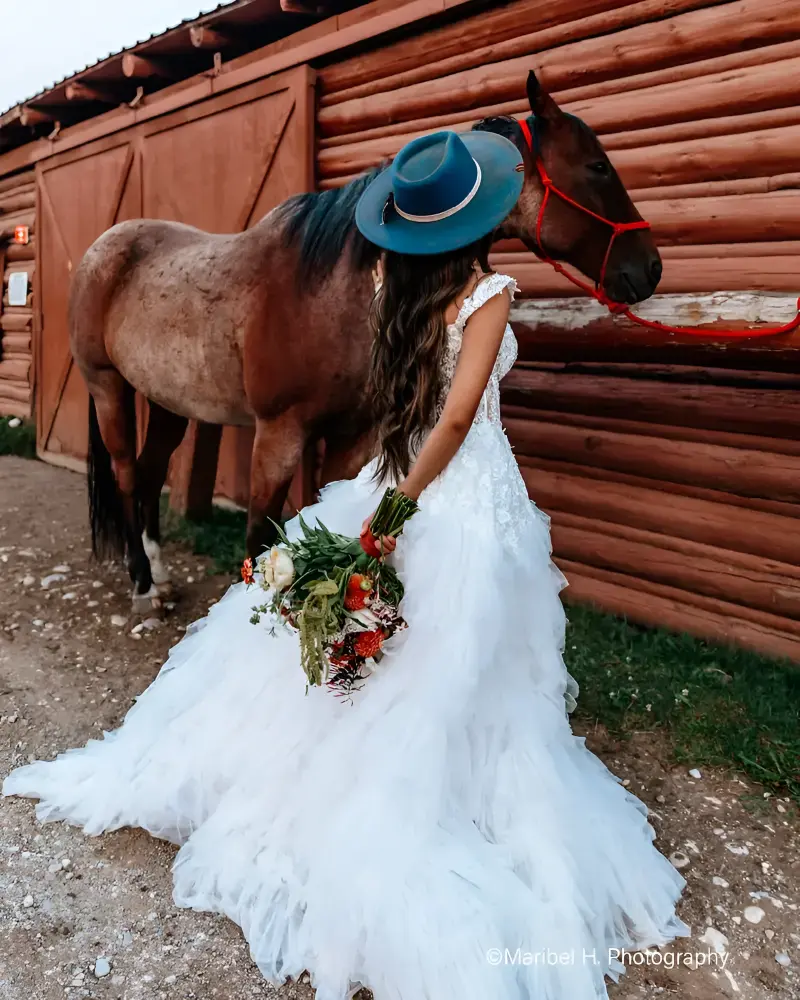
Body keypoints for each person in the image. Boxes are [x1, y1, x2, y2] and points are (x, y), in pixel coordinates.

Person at [3, 130, 688, 1000]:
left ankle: (344, 753)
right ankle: (449, 788)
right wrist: (399, 505)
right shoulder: (488, 297)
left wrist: (393, 493)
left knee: (408, 631)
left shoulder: (396, 287)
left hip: (417, 480)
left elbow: (403, 404)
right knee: (465, 642)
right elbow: (454, 416)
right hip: (463, 489)